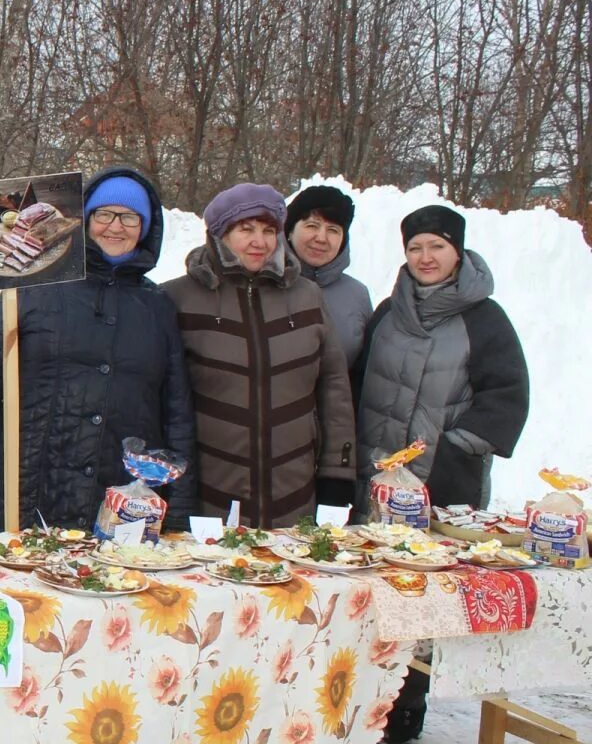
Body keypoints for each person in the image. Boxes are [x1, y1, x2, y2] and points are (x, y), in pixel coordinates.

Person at [0, 167, 197, 533]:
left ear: (145, 227)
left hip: (121, 499)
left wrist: (180, 500)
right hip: (31, 487)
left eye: (129, 217)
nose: (116, 226)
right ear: (85, 219)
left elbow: (176, 408)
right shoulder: (32, 286)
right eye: (104, 214)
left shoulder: (156, 307)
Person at [162, 183, 357, 528]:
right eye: (246, 229)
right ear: (220, 233)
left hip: (294, 497)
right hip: (210, 497)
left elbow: (334, 388)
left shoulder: (307, 296)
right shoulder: (179, 298)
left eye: (269, 230)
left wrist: (337, 473)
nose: (259, 241)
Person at [354, 205, 529, 510]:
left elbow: (507, 396)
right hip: (379, 476)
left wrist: (458, 446)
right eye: (415, 248)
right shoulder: (387, 313)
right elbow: (357, 383)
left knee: (442, 556)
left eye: (437, 246)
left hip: (446, 480)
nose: (426, 257)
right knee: (370, 552)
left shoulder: (484, 318)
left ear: (457, 251)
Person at [286, 184, 372, 364]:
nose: (321, 238)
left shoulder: (358, 295)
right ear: (290, 231)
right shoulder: (263, 282)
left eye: (333, 230)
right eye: (312, 225)